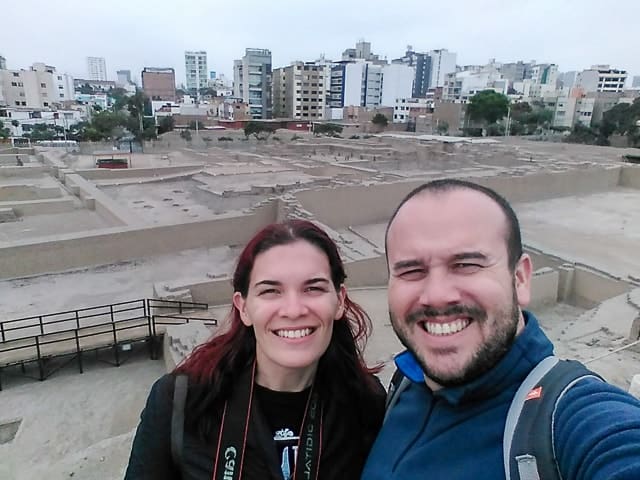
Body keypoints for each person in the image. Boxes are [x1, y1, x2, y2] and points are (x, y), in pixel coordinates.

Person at [361, 178, 640, 480]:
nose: (437, 295)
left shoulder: (570, 421)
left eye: (466, 264)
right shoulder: (403, 383)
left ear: (520, 278)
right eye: (412, 271)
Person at [126, 219, 385, 480]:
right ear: (244, 308)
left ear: (339, 301)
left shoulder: (365, 403)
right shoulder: (181, 402)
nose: (294, 310)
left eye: (313, 288)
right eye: (271, 291)